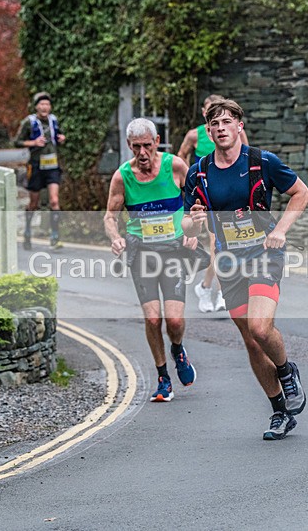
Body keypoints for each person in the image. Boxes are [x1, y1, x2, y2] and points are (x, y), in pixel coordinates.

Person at [184, 99, 308, 440]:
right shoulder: (199, 172)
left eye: (227, 121)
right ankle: (279, 413)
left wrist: (281, 230)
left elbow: (301, 193)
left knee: (259, 327)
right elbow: (187, 223)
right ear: (208, 132)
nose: (221, 128)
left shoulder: (261, 162)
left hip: (264, 254)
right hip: (228, 262)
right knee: (252, 343)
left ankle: (286, 371)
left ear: (240, 125)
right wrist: (193, 224)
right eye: (215, 124)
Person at [104, 118, 197, 402]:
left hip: (172, 252)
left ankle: (178, 349)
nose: (142, 153)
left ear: (157, 142)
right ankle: (163, 378)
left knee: (175, 321)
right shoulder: (123, 176)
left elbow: (196, 205)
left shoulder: (176, 167)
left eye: (147, 146)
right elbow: (110, 215)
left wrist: (193, 230)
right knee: (153, 318)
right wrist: (115, 237)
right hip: (140, 252)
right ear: (129, 146)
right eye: (136, 147)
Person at [178, 94, 249, 313]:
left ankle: (210, 288)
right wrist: (189, 185)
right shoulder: (194, 135)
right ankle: (215, 290)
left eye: (222, 115)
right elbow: (181, 157)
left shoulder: (236, 131)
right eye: (212, 113)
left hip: (228, 196)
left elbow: (246, 157)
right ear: (204, 114)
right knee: (216, 245)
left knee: (226, 246)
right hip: (205, 198)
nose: (218, 121)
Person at [14, 92, 66, 250]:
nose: (44, 107)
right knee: (33, 203)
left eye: (47, 104)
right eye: (41, 104)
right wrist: (33, 142)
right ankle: (28, 232)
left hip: (52, 165)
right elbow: (16, 142)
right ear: (36, 106)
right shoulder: (29, 122)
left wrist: (62, 138)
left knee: (54, 201)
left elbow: (59, 135)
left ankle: (55, 237)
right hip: (36, 166)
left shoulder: (54, 120)